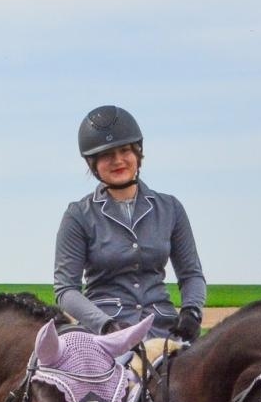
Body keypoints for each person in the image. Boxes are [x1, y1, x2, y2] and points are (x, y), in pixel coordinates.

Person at [53, 105, 207, 347]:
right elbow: (66, 290)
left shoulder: (171, 208)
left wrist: (192, 311)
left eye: (125, 150)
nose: (118, 161)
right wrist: (106, 325)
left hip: (164, 329)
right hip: (106, 334)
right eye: (106, 155)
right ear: (93, 164)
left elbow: (191, 275)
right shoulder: (77, 215)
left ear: (138, 153)